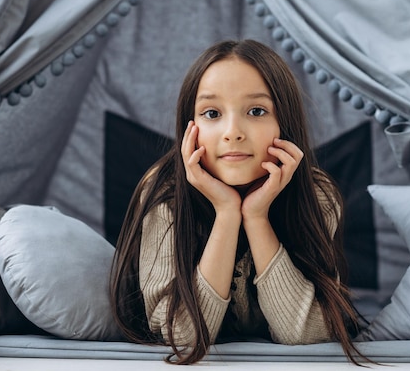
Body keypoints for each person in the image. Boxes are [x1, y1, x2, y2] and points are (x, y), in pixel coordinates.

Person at [111, 39, 366, 365]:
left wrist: (256, 217)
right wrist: (227, 212)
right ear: (190, 128)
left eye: (256, 111)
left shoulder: (317, 194)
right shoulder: (164, 195)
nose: (232, 132)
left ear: (284, 124)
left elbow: (305, 334)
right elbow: (182, 337)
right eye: (212, 113)